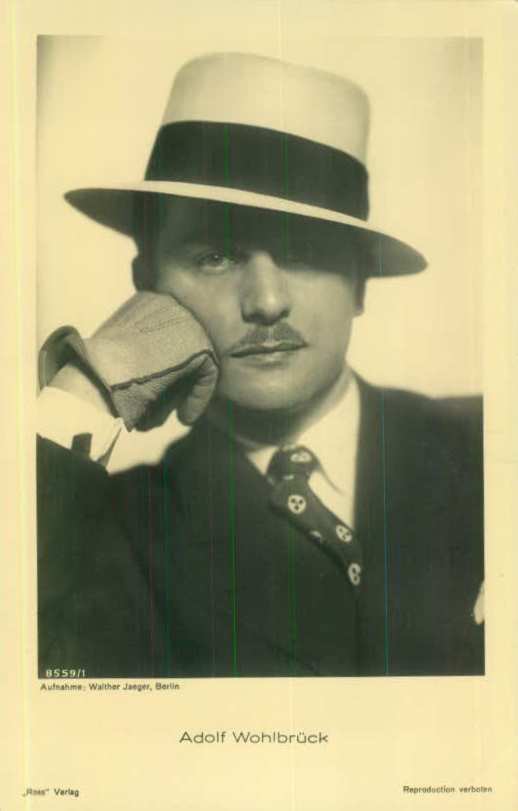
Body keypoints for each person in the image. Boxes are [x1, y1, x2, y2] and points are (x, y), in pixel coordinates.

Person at [37, 52, 484, 678]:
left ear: (361, 282)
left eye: (304, 252)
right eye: (216, 256)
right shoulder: (107, 530)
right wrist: (85, 386)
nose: (267, 302)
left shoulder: (489, 446)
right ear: (148, 285)